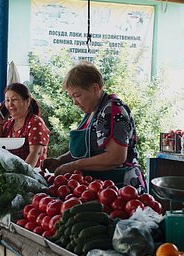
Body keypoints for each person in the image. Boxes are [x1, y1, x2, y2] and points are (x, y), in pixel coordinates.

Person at [41, 62, 145, 192]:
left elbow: (116, 157)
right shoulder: (93, 111)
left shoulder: (112, 110)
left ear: (95, 88)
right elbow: (88, 149)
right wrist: (61, 160)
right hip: (100, 187)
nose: (74, 103)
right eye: (71, 97)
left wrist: (74, 165)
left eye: (77, 95)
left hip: (121, 187)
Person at [0, 83, 50, 168]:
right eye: (7, 100)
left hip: (31, 175)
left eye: (14, 100)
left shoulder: (35, 122)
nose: (10, 104)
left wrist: (21, 175)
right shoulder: (8, 124)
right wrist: (0, 123)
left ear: (27, 101)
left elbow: (35, 153)